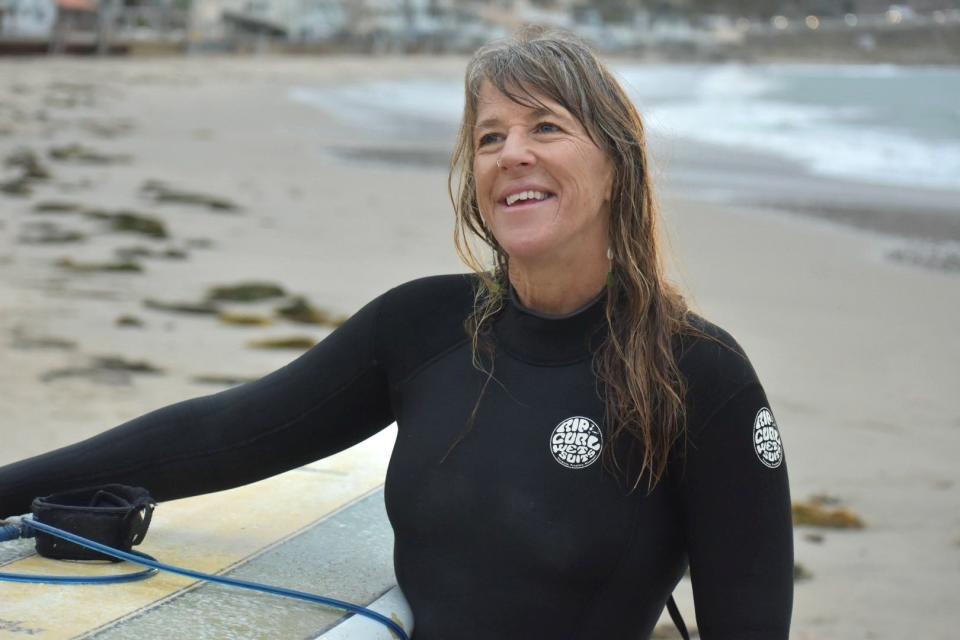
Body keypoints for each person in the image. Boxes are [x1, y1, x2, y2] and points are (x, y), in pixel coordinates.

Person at [0, 27, 793, 639]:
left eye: (546, 128)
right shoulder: (422, 328)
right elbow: (219, 435)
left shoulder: (697, 374)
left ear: (617, 163)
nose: (511, 154)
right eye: (489, 137)